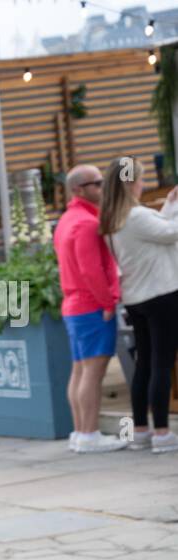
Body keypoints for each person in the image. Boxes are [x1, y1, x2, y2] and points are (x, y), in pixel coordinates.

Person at [98, 157, 178, 454]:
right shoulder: (136, 216)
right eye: (141, 179)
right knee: (161, 363)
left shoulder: (112, 219)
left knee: (144, 364)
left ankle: (140, 430)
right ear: (131, 183)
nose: (143, 184)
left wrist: (170, 205)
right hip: (161, 295)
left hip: (136, 298)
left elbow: (162, 229)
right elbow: (171, 233)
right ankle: (162, 433)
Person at [54, 165, 127, 453]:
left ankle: (80, 432)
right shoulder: (85, 223)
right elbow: (90, 269)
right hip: (90, 306)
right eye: (96, 183)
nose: (103, 187)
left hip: (75, 305)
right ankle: (89, 434)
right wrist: (107, 302)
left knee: (80, 371)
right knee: (93, 373)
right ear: (78, 190)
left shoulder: (67, 220)